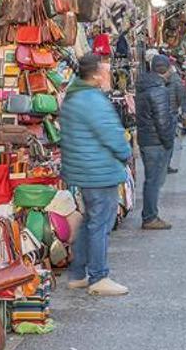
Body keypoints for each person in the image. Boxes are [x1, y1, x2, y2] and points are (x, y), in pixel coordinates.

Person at [58, 54, 133, 296]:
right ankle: (99, 276)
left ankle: (78, 273)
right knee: (100, 223)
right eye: (104, 70)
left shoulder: (72, 97)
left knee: (90, 221)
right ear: (96, 73)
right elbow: (111, 133)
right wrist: (125, 152)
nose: (107, 75)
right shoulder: (92, 100)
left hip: (83, 170)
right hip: (99, 170)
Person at [134, 53, 178, 229]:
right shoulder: (159, 89)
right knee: (154, 181)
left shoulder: (144, 86)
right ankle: (150, 217)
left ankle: (149, 214)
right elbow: (162, 120)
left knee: (150, 180)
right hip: (156, 142)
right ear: (166, 70)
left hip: (146, 139)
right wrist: (168, 142)